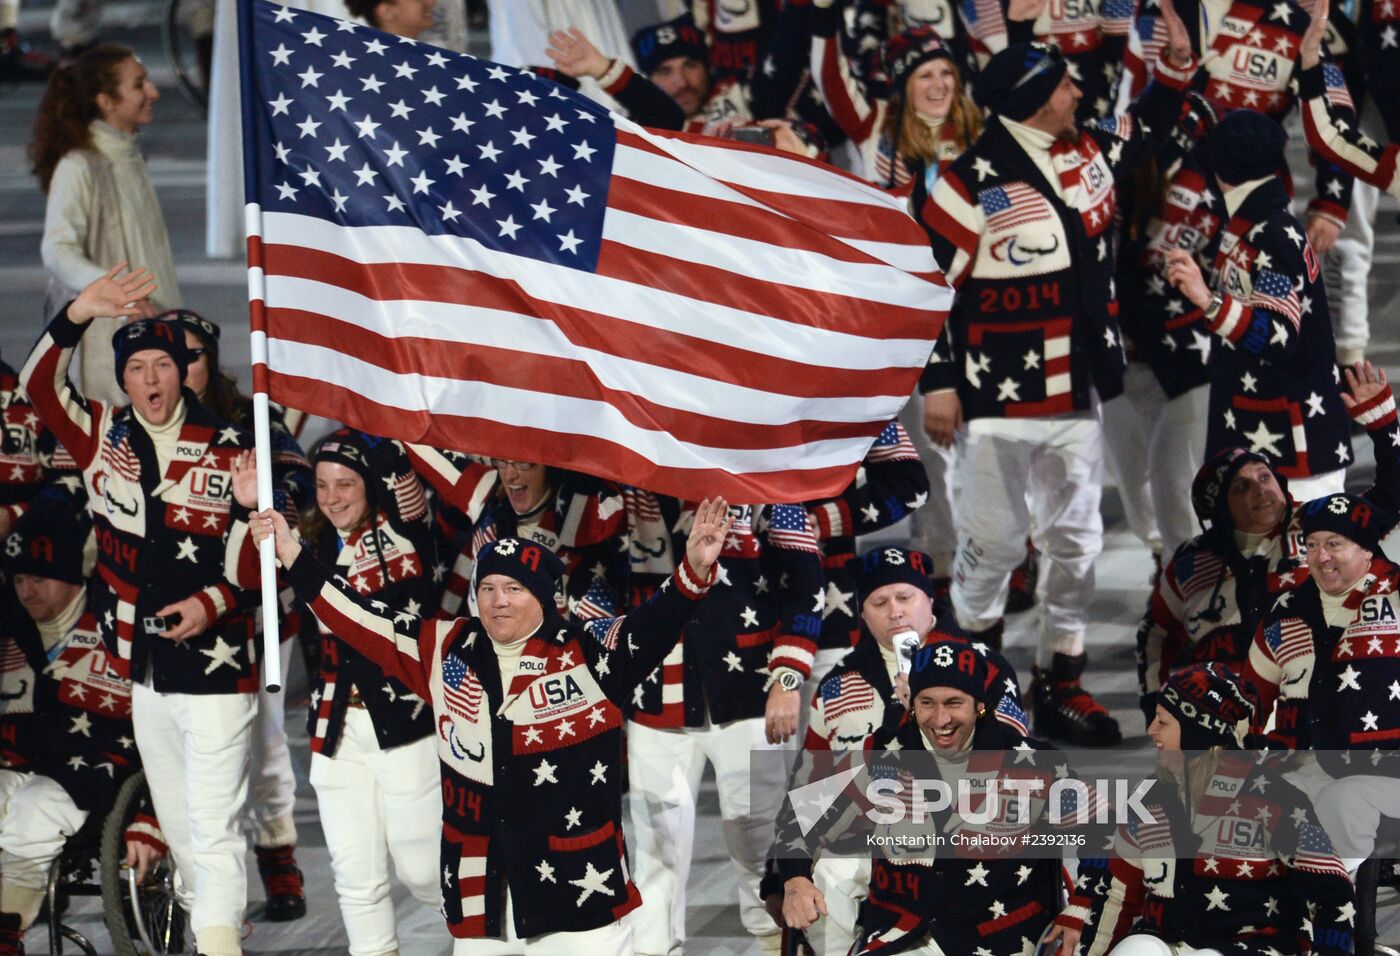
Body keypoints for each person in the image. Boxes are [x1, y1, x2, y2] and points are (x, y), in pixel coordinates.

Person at [246, 493, 733, 954]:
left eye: (514, 589)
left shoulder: (588, 652)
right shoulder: (444, 647)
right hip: (483, 898)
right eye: (488, 588)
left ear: (544, 597)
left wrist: (693, 571)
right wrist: (292, 553)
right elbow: (359, 618)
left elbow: (655, 623)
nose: (498, 600)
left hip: (578, 893)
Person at [915, 24, 1195, 745]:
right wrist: (940, 384)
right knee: (995, 545)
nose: (1080, 90)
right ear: (1035, 100)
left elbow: (1155, 123)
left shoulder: (1093, 151)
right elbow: (923, 292)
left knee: (1077, 542)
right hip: (995, 406)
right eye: (1064, 83)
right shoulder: (963, 186)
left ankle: (1059, 682)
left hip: (1079, 393)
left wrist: (1175, 70)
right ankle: (972, 690)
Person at [19, 267, 259, 956]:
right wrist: (77, 314)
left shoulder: (231, 449)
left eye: (164, 365)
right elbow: (40, 387)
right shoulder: (101, 438)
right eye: (138, 367)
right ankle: (212, 924)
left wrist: (245, 518)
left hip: (218, 674)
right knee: (185, 833)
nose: (151, 379)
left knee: (211, 832)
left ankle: (220, 942)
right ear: (122, 378)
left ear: (185, 374)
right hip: (143, 674)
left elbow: (256, 576)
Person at [767, 546, 1026, 956]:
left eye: (906, 597)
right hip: (873, 836)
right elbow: (809, 789)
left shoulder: (984, 666)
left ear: (929, 602)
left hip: (966, 834)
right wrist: (786, 874)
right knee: (829, 874)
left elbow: (1015, 759)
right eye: (880, 602)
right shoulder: (837, 686)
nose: (896, 612)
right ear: (863, 613)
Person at [778, 637, 1075, 955]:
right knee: (829, 868)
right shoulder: (883, 751)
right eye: (927, 703)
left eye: (953, 703)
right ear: (912, 703)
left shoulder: (1031, 762)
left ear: (980, 704)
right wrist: (795, 879)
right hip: (904, 931)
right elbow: (800, 814)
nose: (940, 720)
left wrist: (1082, 906)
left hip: (997, 938)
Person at [1136, 363, 1400, 718]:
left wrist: (1384, 426)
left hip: (1323, 710)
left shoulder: (1318, 523)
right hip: (1229, 728)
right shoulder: (1191, 563)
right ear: (1220, 510)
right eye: (1241, 487)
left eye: (1264, 476)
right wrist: (1155, 701)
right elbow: (1154, 634)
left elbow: (1392, 498)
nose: (1261, 489)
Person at [621, 496, 822, 956]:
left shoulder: (757, 479)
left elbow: (805, 584)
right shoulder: (629, 485)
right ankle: (656, 951)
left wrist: (788, 677)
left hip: (751, 693)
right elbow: (596, 577)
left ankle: (777, 944)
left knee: (758, 839)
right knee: (655, 846)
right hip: (655, 695)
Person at [168, 307, 312, 921]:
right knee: (183, 749)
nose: (178, 369)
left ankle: (279, 858)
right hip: (179, 618)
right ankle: (191, 877)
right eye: (167, 358)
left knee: (267, 737)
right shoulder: (145, 425)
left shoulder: (251, 419)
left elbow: (301, 498)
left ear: (210, 360)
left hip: (256, 613)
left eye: (190, 355)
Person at [279, 428, 442, 954]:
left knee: (424, 872)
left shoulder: (409, 530)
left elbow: (400, 471)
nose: (331, 498)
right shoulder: (313, 544)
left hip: (408, 726)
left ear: (370, 485)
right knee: (356, 878)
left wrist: (365, 408)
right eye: (322, 485)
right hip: (336, 731)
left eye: (346, 484)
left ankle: (489, 939)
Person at [1063, 664, 1356, 956]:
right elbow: (1117, 896)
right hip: (1169, 941)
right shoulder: (1149, 797)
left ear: (1197, 733)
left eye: (1163, 722)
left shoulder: (1278, 799)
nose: (1151, 731)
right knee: (1135, 951)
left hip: (1258, 947)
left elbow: (1335, 895)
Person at [0, 494, 166, 956]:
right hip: (19, 764)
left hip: (94, 776)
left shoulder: (118, 629)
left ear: (74, 575)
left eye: (39, 578)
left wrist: (153, 819)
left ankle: (6, 933)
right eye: (18, 579)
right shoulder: (9, 625)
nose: (27, 591)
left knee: (31, 816)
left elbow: (166, 737)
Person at [1164, 109, 1351, 500]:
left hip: (1294, 454)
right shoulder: (1252, 223)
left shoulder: (1272, 236)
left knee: (1305, 562)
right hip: (1269, 445)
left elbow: (1277, 338)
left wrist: (1205, 299)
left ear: (1220, 166)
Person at [1243, 491, 1400, 890]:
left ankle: (1330, 914)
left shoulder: (1396, 595)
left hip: (1387, 771)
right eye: (1311, 545)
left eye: (1334, 544)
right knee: (1247, 802)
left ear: (1366, 550)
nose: (1321, 557)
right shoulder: (1287, 611)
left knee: (1342, 801)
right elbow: (1248, 701)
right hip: (1309, 765)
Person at [1103, 91, 1219, 572]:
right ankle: (1164, 563)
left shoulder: (1205, 195)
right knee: (1134, 478)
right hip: (1122, 360)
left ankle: (1185, 572)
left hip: (1187, 361)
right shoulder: (1105, 188)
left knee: (1177, 482)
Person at [29, 46, 180, 407]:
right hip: (111, 353)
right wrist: (113, 291)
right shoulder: (80, 165)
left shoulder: (127, 156)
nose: (153, 92)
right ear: (106, 101)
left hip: (153, 333)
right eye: (139, 84)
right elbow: (57, 249)